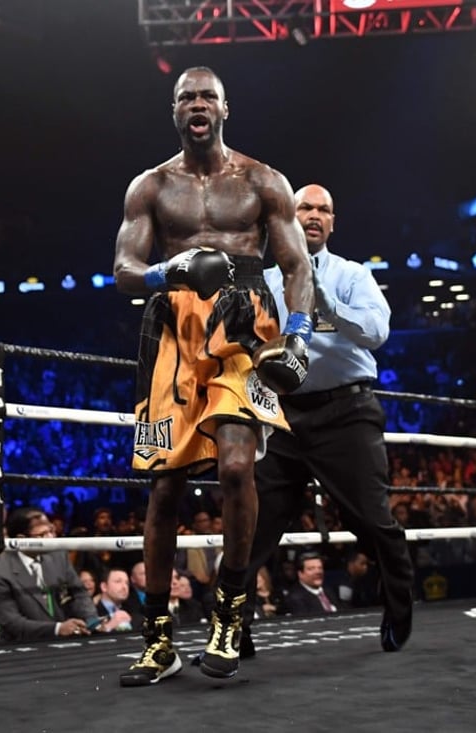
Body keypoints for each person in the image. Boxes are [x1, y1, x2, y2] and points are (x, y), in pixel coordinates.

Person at [112, 66, 314, 686]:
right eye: (186, 97)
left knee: (235, 466)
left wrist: (299, 335)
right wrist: (166, 271)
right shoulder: (150, 186)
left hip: (245, 321)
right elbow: (122, 266)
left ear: (226, 108)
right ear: (174, 111)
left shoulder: (262, 180)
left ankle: (230, 612)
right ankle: (158, 639)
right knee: (166, 490)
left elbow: (295, 262)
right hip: (172, 325)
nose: (197, 104)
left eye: (207, 96)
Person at [244, 183, 414, 654]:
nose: (314, 215)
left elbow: (377, 332)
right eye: (305, 207)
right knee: (255, 522)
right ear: (288, 215)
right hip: (283, 414)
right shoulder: (266, 280)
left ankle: (399, 608)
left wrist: (326, 303)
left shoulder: (352, 275)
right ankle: (232, 628)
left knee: (373, 521)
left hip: (347, 413)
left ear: (333, 222)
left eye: (324, 209)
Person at [0, 507, 100, 641]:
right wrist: (57, 628)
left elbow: (78, 592)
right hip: (23, 646)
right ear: (21, 539)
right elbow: (12, 622)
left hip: (66, 641)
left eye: (51, 531)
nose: (51, 538)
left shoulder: (59, 556)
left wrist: (91, 621)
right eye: (42, 535)